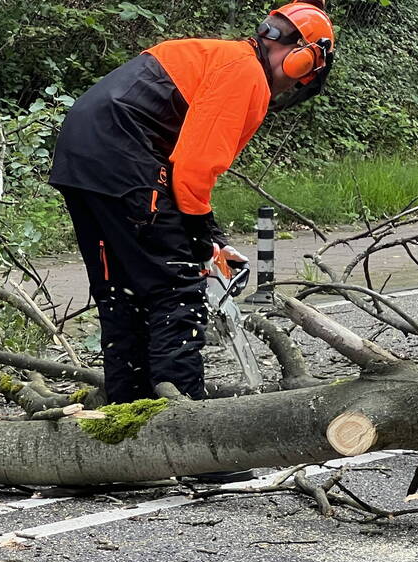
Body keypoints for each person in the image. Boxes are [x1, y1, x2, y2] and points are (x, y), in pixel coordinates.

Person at [49, 1, 335, 406]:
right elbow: (193, 168)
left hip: (81, 159)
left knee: (122, 294)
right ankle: (186, 425)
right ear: (302, 59)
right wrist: (198, 239)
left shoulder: (215, 55)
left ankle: (129, 416)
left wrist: (210, 237)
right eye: (300, 78)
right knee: (176, 288)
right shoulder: (246, 73)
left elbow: (179, 170)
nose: (292, 86)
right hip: (124, 155)